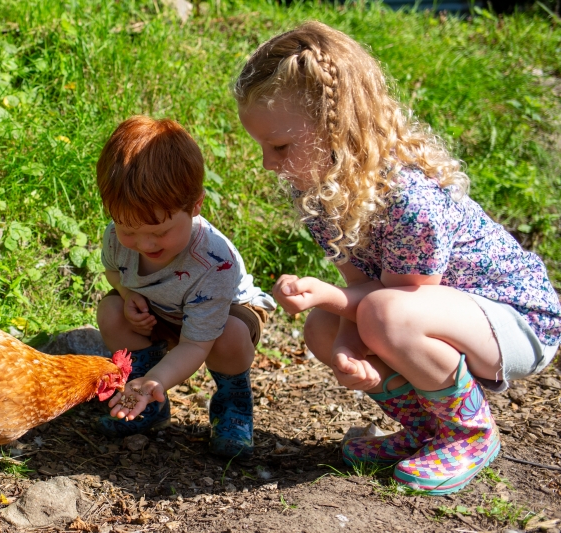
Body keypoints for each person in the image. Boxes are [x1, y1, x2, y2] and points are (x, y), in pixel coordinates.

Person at [234, 21, 560, 494]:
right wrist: (344, 344)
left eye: (280, 146)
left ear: (336, 128)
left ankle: (469, 432)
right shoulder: (318, 192)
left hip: (517, 321)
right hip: (429, 313)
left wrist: (331, 297)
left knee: (382, 314)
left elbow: (399, 299)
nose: (269, 163)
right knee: (322, 325)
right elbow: (361, 287)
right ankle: (428, 430)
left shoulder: (409, 196)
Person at [94, 115, 276, 459]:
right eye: (128, 229)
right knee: (111, 311)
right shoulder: (116, 237)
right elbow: (114, 273)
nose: (144, 244)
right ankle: (148, 403)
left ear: (195, 206)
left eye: (160, 232)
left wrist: (159, 379)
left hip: (220, 318)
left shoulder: (214, 261)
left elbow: (195, 344)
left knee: (229, 336)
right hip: (162, 310)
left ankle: (233, 407)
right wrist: (128, 295)